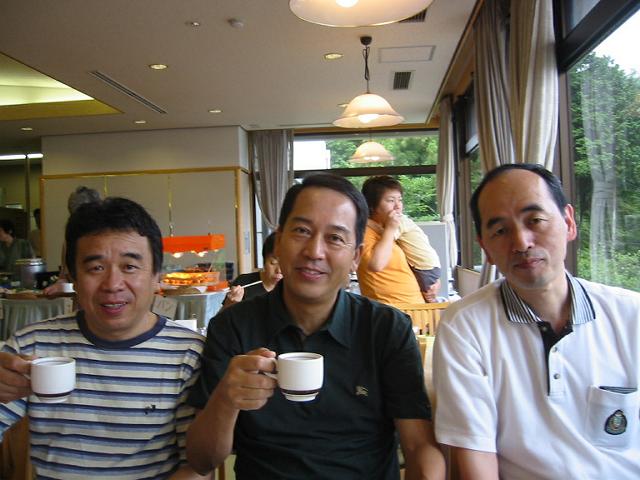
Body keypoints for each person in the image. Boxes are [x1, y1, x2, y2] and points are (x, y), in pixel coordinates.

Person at [186, 173, 445, 479]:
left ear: (355, 257)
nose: (314, 251)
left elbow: (418, 446)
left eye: (335, 238)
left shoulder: (386, 329)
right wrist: (225, 400)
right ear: (278, 242)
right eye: (301, 231)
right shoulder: (233, 326)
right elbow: (202, 460)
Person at [433, 163, 640, 479]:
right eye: (500, 230)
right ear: (485, 247)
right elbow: (476, 457)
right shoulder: (465, 326)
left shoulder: (630, 315)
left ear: (568, 222)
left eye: (535, 220)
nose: (521, 242)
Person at [0, 197, 208, 479]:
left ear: (156, 275)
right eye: (96, 268)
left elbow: (196, 466)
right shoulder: (33, 346)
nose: (112, 285)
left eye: (129, 266)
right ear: (73, 277)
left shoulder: (188, 353)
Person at [357, 175, 441, 304]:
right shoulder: (366, 231)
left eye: (400, 200)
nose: (397, 206)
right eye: (391, 200)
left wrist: (434, 282)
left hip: (415, 306)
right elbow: (376, 264)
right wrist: (389, 229)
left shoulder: (392, 228)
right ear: (372, 206)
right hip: (391, 309)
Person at [43, 186, 101, 296]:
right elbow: (64, 276)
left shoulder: (106, 238)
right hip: (80, 300)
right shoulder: (69, 241)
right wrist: (60, 285)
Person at [221, 232, 282, 308]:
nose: (279, 270)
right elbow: (221, 315)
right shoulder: (243, 282)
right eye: (273, 262)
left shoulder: (293, 291)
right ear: (264, 261)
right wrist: (230, 303)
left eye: (284, 263)